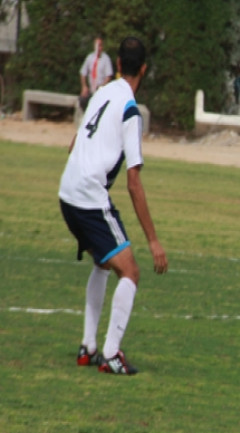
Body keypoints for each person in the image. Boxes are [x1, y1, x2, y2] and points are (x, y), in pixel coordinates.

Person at [60, 36, 168, 375]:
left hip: (67, 191)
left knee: (104, 263)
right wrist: (153, 240)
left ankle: (88, 348)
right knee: (131, 272)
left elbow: (74, 143)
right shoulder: (130, 109)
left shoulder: (102, 91)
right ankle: (110, 354)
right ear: (145, 69)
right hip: (90, 198)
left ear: (117, 64)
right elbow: (133, 183)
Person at [79, 35, 114, 111]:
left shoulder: (106, 59)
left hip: (101, 90)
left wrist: (102, 86)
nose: (98, 48)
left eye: (100, 45)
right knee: (82, 100)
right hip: (91, 90)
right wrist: (84, 86)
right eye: (96, 45)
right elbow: (83, 72)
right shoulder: (90, 57)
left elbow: (109, 76)